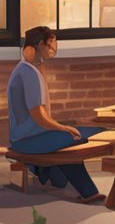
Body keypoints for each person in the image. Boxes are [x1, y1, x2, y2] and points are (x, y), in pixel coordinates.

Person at [6, 26, 107, 202]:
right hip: (27, 139)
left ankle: (51, 174)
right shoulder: (27, 73)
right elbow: (38, 114)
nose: (54, 50)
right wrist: (62, 128)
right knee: (79, 136)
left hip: (36, 134)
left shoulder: (34, 68)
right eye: (51, 46)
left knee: (85, 133)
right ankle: (85, 190)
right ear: (39, 45)